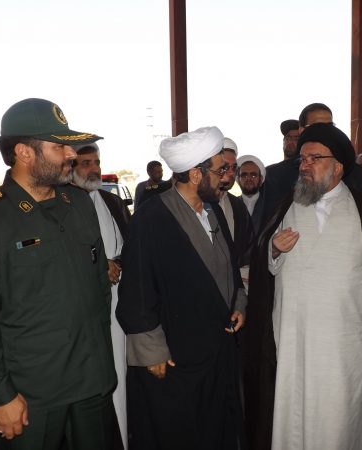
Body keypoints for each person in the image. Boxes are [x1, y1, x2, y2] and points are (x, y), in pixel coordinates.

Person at [0, 98, 117, 450]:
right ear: (24, 152)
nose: (71, 154)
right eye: (59, 146)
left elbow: (99, 288)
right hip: (31, 396)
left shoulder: (79, 204)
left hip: (93, 383)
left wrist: (103, 361)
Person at [243, 123, 362, 450]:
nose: (304, 165)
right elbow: (265, 266)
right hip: (294, 331)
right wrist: (273, 249)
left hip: (342, 333)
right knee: (294, 401)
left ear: (338, 167)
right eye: (302, 159)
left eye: (314, 158)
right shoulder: (286, 206)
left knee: (339, 407)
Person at [117, 126, 247, 450]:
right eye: (219, 171)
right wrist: (151, 351)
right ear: (195, 174)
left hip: (217, 349)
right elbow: (136, 289)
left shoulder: (214, 210)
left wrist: (239, 304)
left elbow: (229, 268)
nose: (225, 178)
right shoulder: (151, 218)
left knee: (218, 427)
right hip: (176, 355)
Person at [72, 142, 131, 450]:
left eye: (96, 162)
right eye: (85, 163)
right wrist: (99, 266)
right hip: (84, 302)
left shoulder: (112, 201)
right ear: (71, 167)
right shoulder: (62, 202)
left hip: (119, 296)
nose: (93, 169)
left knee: (120, 368)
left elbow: (130, 244)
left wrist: (117, 264)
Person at [218, 137, 253, 268]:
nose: (231, 173)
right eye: (225, 167)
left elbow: (247, 248)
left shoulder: (237, 205)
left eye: (234, 167)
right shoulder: (198, 203)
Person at [236, 154, 266, 235]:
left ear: (261, 179)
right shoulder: (232, 204)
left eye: (253, 175)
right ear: (238, 180)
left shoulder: (270, 206)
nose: (248, 179)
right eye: (244, 175)